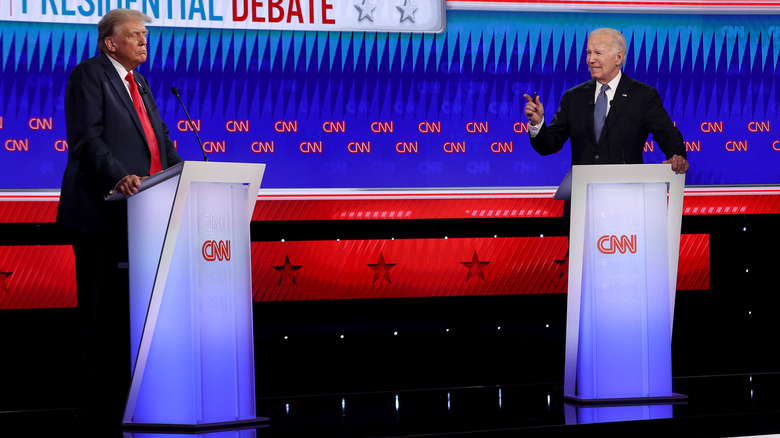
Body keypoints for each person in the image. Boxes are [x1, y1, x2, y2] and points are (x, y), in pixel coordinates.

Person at [57, 8, 183, 423]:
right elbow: (85, 139)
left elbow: (159, 139)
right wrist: (120, 176)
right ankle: (97, 406)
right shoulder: (89, 75)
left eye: (146, 34)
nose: (145, 41)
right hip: (101, 213)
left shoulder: (140, 82)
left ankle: (133, 397)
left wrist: (185, 175)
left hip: (142, 216)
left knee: (131, 314)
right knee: (100, 312)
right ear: (111, 43)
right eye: (135, 35)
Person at [523, 28, 689, 174]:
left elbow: (667, 133)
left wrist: (677, 155)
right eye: (588, 52)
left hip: (626, 196)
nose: (590, 59)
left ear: (618, 57)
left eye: (598, 53)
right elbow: (549, 145)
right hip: (583, 198)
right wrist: (538, 124)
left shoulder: (643, 95)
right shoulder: (573, 97)